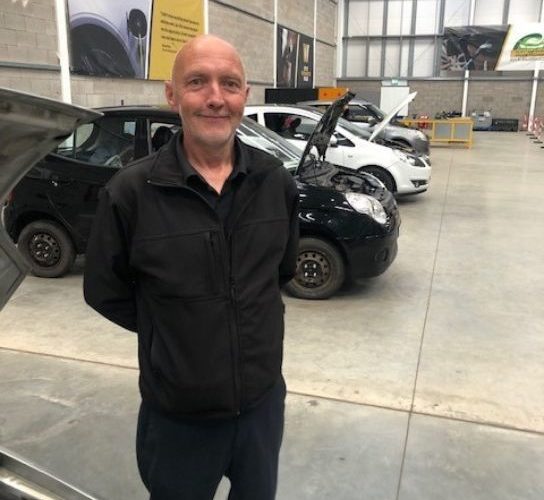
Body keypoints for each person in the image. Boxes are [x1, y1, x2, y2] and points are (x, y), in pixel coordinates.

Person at [83, 34, 299, 499]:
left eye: (230, 84)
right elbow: (104, 290)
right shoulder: (131, 193)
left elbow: (279, 272)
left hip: (262, 406)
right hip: (178, 417)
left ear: (245, 95)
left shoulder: (275, 183)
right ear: (172, 94)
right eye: (198, 82)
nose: (216, 98)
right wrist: (172, 330)